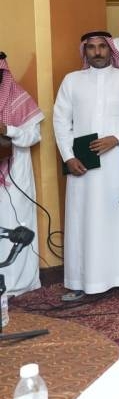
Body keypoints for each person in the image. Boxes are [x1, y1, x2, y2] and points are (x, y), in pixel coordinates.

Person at [53, 31, 119, 301]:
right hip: (83, 165)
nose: (97, 52)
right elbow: (60, 121)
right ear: (85, 51)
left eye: (102, 47)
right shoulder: (72, 80)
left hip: (118, 161)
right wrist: (68, 157)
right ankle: (82, 280)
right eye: (91, 47)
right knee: (84, 219)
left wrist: (116, 138)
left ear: (111, 50)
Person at [0, 53, 44, 296]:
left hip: (15, 174)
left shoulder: (18, 97)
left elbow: (33, 136)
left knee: (16, 225)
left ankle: (18, 283)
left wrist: (8, 129)